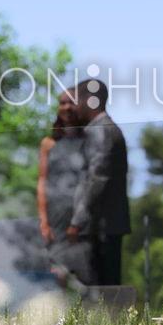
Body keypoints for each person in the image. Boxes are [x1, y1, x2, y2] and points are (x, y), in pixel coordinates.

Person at [65, 79, 130, 286]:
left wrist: (77, 221)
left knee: (99, 290)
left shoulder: (101, 130)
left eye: (76, 101)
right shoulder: (99, 129)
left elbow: (97, 178)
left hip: (99, 227)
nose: (74, 108)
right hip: (100, 225)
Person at [38, 91, 92, 285]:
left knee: (83, 268)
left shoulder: (88, 140)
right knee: (56, 267)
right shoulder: (48, 143)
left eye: (71, 103)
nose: (66, 107)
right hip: (56, 214)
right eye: (62, 103)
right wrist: (43, 220)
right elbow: (42, 181)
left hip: (81, 211)